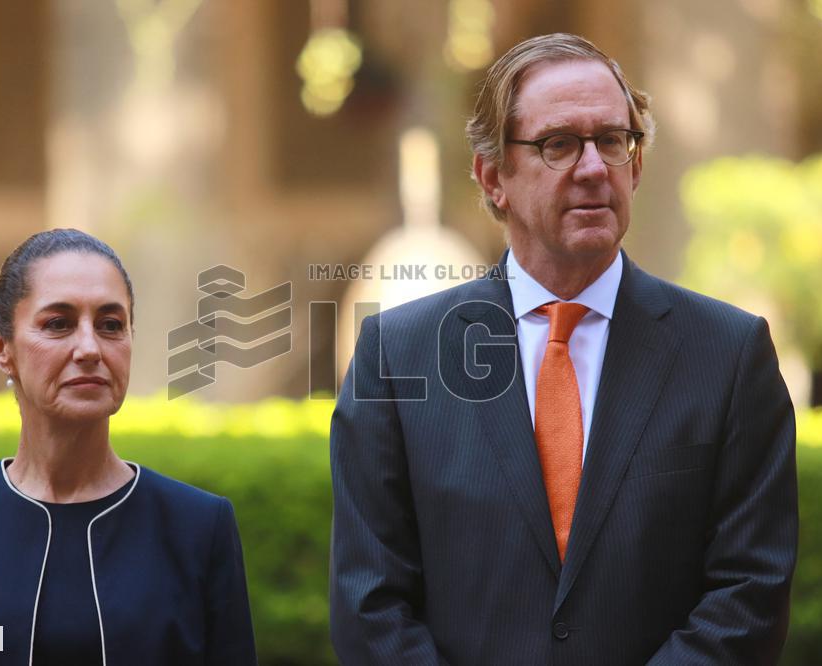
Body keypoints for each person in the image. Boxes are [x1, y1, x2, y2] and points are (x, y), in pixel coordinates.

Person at [330, 33, 797, 665]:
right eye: (558, 144)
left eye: (612, 140)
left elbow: (749, 594)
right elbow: (370, 604)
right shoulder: (397, 356)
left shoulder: (730, 355)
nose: (593, 168)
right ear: (493, 177)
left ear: (636, 164)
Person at [0, 229, 257, 665]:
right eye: (58, 324)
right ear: (0, 347)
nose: (90, 348)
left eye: (111, 325)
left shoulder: (198, 527)